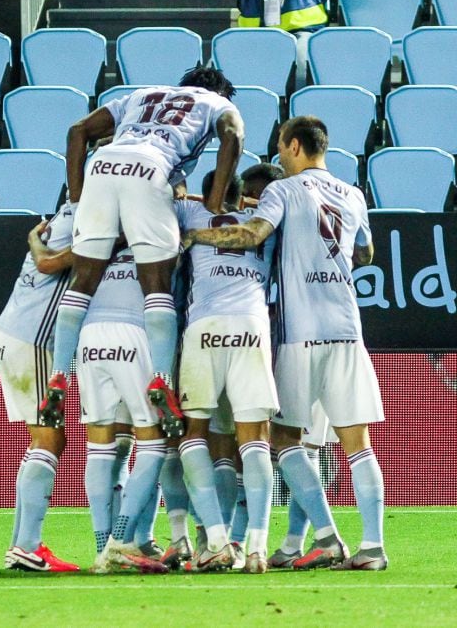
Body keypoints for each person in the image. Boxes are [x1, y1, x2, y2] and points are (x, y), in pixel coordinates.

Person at [184, 116, 388, 571]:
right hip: (348, 328)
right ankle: (372, 547)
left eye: (279, 145)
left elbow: (252, 235)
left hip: (300, 332)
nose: (278, 154)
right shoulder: (353, 195)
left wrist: (195, 235)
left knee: (282, 438)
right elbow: (365, 253)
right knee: (358, 443)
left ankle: (328, 536)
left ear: (294, 146)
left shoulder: (283, 190)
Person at [42, 66, 244, 448]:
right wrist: (216, 200)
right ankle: (161, 381)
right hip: (151, 169)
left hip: (103, 165)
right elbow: (233, 135)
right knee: (157, 288)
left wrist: (76, 200)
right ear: (221, 92)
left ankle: (58, 375)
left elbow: (77, 131)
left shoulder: (141, 94)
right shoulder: (216, 103)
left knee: (82, 283)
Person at [175, 171, 280, 573]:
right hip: (253, 326)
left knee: (194, 433)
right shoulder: (266, 221)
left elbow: (171, 192)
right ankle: (256, 546)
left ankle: (215, 539)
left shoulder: (189, 213)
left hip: (205, 326)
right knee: (254, 439)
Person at [0, 210, 80, 573]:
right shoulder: (88, 219)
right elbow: (51, 263)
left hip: (12, 333)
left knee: (41, 439)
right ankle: (28, 545)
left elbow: (42, 256)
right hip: (33, 339)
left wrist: (32, 240)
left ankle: (20, 544)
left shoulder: (63, 215)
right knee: (49, 439)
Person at [76, 244, 171, 574]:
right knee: (154, 444)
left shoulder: (100, 238)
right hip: (135, 330)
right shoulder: (159, 234)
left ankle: (103, 550)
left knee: (99, 449)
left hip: (89, 335)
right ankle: (122, 540)